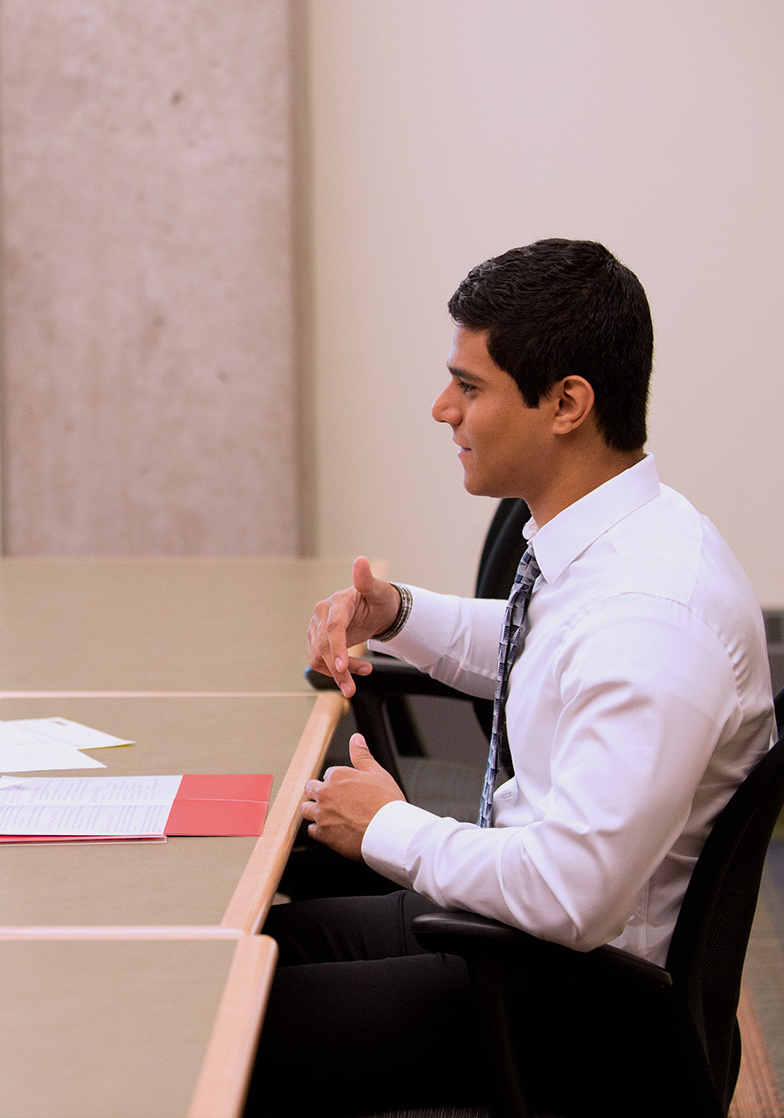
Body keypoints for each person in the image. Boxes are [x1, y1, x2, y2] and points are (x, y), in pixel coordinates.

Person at [246, 240, 775, 1116]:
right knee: (243, 947)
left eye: (471, 385)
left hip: (573, 1010)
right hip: (522, 944)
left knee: (232, 1027)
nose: (441, 408)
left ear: (567, 404)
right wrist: (400, 614)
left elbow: (573, 894)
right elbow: (544, 647)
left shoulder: (652, 617)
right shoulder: (625, 537)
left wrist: (389, 827)